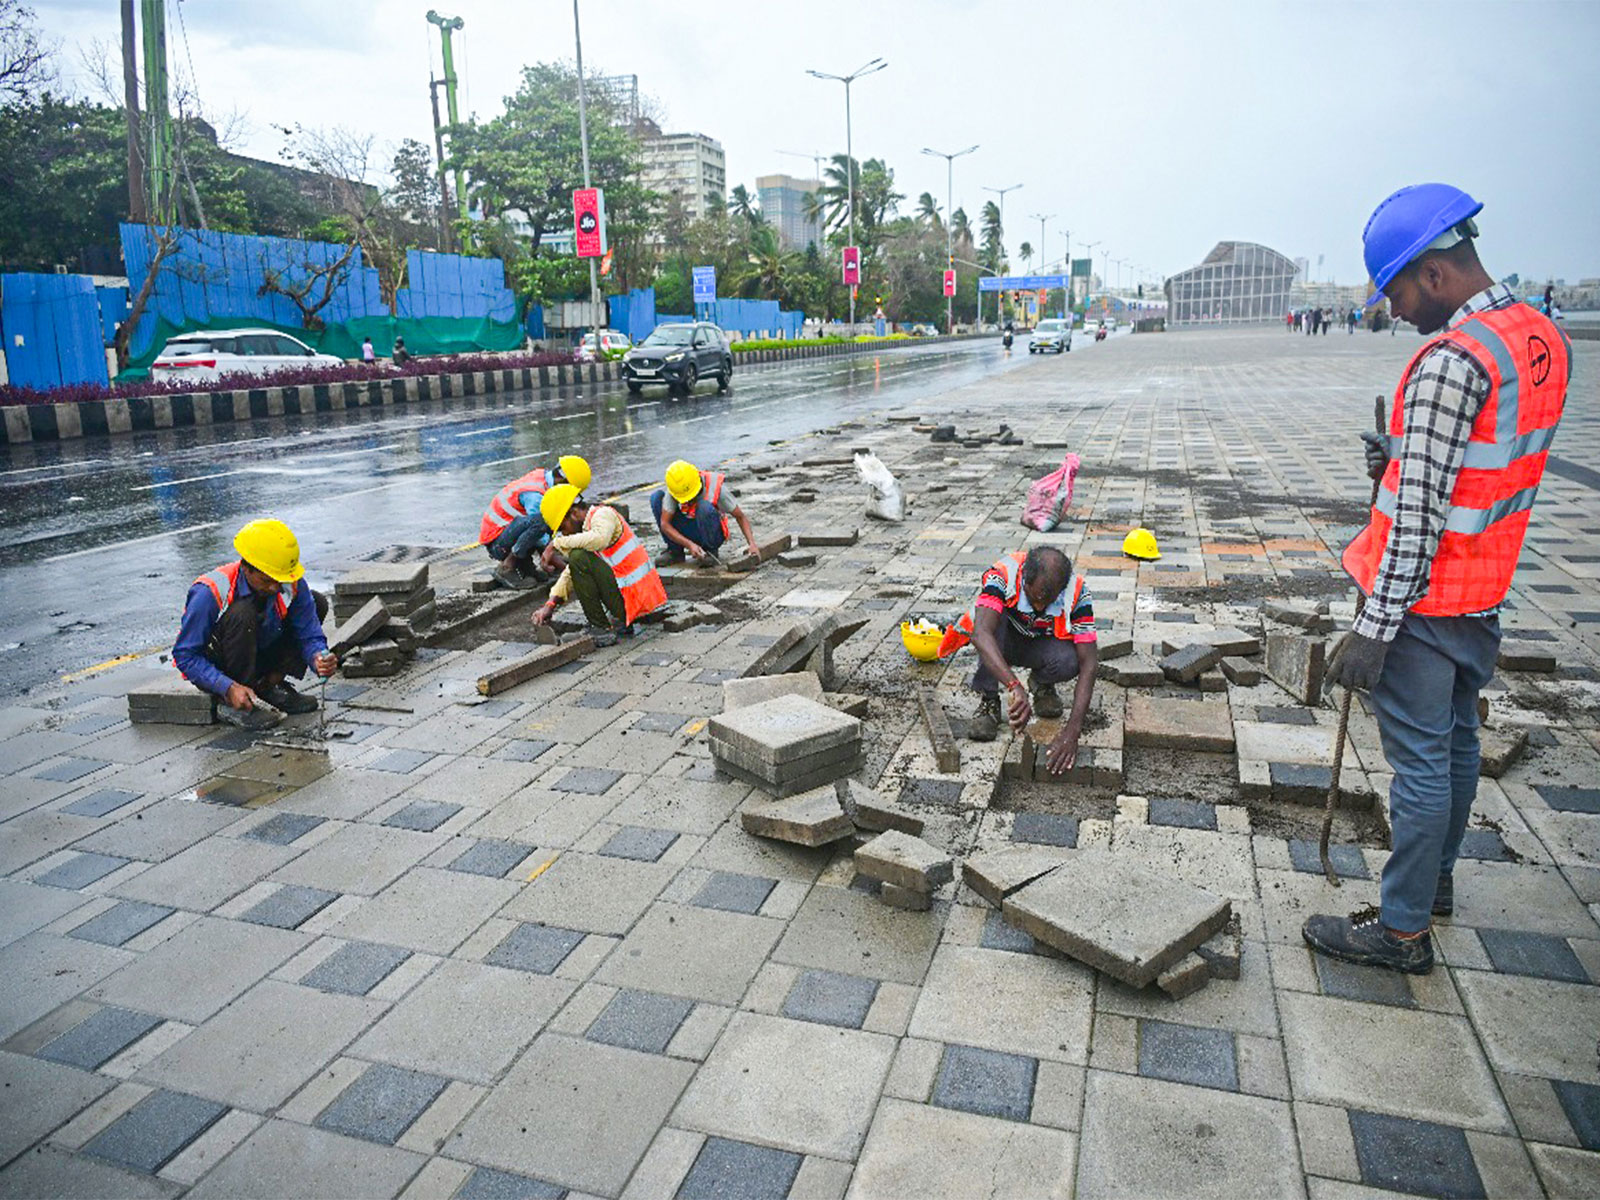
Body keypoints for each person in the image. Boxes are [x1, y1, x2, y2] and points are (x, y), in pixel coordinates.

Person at [1303, 184, 1572, 975]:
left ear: (1432, 273)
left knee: (1419, 764)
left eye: (1395, 293)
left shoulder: (1450, 361)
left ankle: (1400, 931)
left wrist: (1374, 631)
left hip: (1423, 601)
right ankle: (1435, 886)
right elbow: (1488, 470)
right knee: (1456, 747)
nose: (1394, 313)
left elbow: (1419, 521)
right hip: (1482, 590)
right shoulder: (1537, 337)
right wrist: (1400, 460)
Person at [936, 546, 1098, 765]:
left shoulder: (1077, 591)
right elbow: (981, 633)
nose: (1040, 606)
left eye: (1048, 600)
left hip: (1040, 644)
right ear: (1025, 580)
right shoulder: (1004, 574)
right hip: (1002, 643)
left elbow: (1089, 662)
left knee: (1069, 660)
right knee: (991, 623)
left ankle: (1042, 684)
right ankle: (989, 701)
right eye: (1036, 598)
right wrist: (1014, 686)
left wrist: (1072, 731)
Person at [172, 519, 337, 731]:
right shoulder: (210, 592)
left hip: (258, 647)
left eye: (279, 580)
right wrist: (226, 686)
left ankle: (268, 686)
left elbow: (309, 634)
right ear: (246, 568)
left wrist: (317, 657)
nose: (275, 587)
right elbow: (185, 655)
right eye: (267, 580)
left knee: (317, 602)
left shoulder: (289, 582)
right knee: (243, 613)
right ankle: (233, 701)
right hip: (223, 662)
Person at [532, 484, 668, 646]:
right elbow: (571, 572)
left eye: (562, 528)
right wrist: (550, 604)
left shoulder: (603, 515)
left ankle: (600, 628)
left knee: (577, 556)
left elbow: (599, 539)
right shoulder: (587, 530)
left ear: (574, 513)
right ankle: (618, 621)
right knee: (578, 559)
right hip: (633, 599)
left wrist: (556, 543)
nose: (565, 534)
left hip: (636, 600)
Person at [478, 455, 592, 589]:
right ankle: (507, 568)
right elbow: (540, 536)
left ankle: (526, 567)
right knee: (543, 521)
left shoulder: (542, 477)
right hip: (497, 544)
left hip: (508, 533)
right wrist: (565, 568)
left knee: (551, 519)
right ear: (563, 481)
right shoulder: (536, 495)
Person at [651, 459, 762, 567]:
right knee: (656, 498)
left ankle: (710, 552)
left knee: (704, 507)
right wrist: (689, 545)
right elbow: (665, 524)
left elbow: (740, 516)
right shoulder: (676, 489)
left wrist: (752, 544)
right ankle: (675, 552)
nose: (689, 500)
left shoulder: (716, 487)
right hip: (691, 529)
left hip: (712, 532)